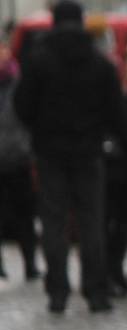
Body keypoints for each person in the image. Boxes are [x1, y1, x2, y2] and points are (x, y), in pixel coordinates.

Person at [13, 0, 127, 313]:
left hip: (50, 151)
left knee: (53, 223)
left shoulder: (39, 61)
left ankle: (57, 290)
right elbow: (117, 113)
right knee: (91, 221)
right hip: (89, 152)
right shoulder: (100, 63)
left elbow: (22, 105)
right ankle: (95, 290)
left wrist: (41, 130)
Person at [0, 30, 38, 281]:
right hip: (9, 157)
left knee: (25, 214)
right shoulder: (21, 83)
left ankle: (30, 264)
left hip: (19, 158)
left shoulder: (21, 83)